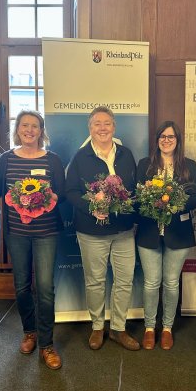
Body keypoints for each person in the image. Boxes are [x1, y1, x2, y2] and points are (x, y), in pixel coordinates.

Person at [64, 106, 140, 351]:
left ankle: (118, 328)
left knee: (124, 280)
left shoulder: (126, 155)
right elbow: (71, 192)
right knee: (95, 281)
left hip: (123, 231)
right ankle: (98, 327)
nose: (103, 128)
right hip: (91, 230)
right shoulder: (80, 157)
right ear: (90, 128)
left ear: (114, 127)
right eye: (97, 123)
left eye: (107, 123)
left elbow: (135, 190)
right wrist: (91, 207)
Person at [0, 111, 66, 370]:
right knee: (22, 286)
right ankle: (30, 332)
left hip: (47, 232)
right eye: (24, 125)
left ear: (41, 131)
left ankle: (47, 344)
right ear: (17, 129)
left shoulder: (53, 160)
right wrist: (15, 203)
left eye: (34, 126)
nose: (29, 130)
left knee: (46, 288)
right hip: (17, 233)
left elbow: (62, 193)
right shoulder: (5, 159)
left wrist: (46, 201)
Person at [135, 121, 196, 350]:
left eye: (171, 137)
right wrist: (151, 204)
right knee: (151, 283)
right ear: (157, 140)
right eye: (162, 136)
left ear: (178, 141)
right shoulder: (144, 165)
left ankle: (166, 328)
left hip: (179, 233)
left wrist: (175, 205)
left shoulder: (189, 166)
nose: (166, 140)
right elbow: (136, 196)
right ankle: (149, 327)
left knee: (172, 283)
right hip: (148, 232)